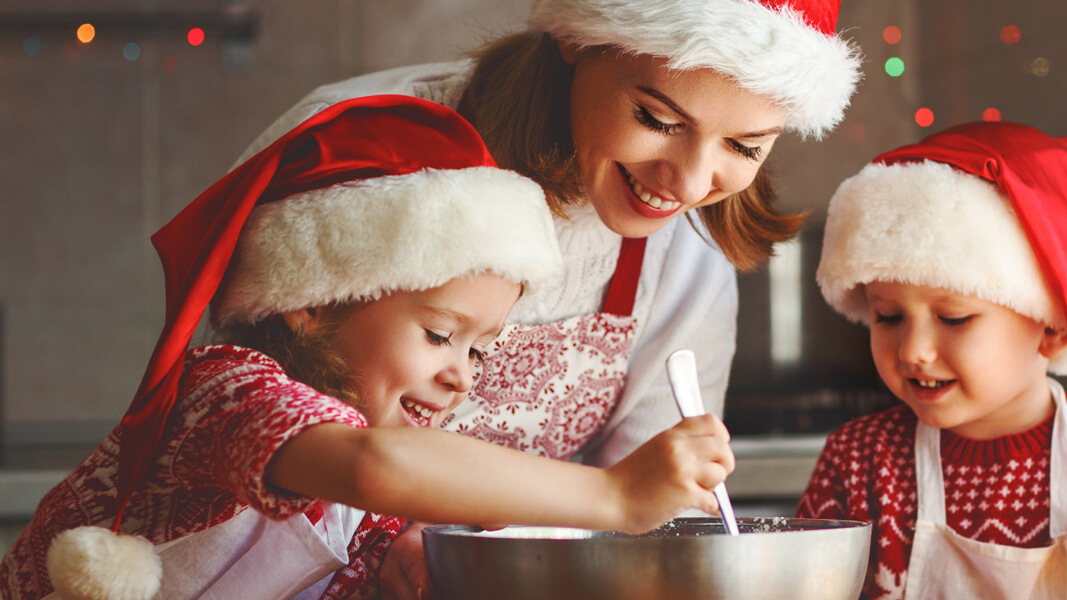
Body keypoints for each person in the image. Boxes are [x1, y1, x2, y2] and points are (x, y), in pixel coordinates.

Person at [234, 1, 862, 596]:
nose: (692, 183)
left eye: (745, 146)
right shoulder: (349, 149)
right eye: (658, 120)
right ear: (575, 35)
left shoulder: (684, 260)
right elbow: (245, 419)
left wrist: (483, 546)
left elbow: (642, 520)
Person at [0, 95, 735, 600]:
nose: (461, 377)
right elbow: (375, 466)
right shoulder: (226, 390)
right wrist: (614, 495)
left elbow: (393, 527)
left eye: (480, 352)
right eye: (442, 335)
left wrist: (415, 563)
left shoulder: (372, 499)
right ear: (308, 304)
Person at [796, 121, 1067, 600]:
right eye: (888, 316)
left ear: (1053, 329)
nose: (913, 350)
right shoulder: (859, 460)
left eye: (953, 318)